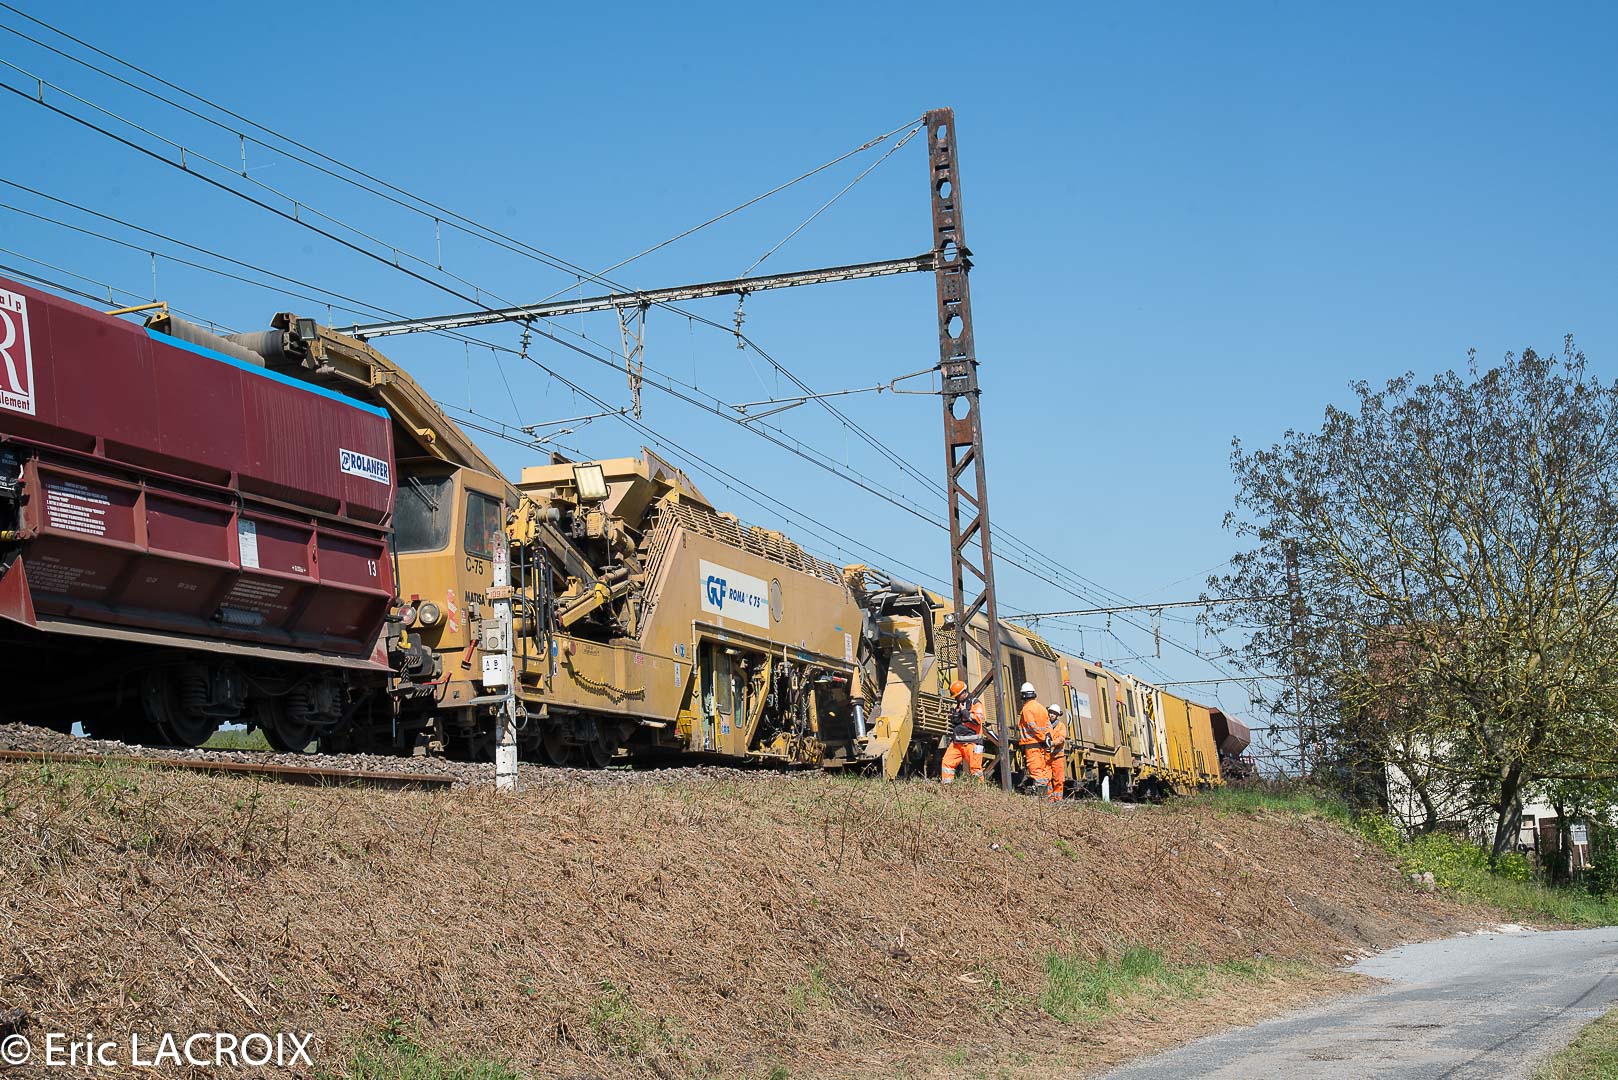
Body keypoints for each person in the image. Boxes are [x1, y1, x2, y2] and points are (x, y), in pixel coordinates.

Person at [940, 679, 988, 784]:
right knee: (947, 762)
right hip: (957, 743)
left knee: (975, 769)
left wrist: (964, 712)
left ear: (964, 692)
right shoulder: (959, 705)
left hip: (972, 743)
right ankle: (947, 787)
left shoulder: (975, 703)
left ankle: (979, 790)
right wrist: (954, 716)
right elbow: (958, 722)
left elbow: (978, 720)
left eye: (957, 696)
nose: (956, 698)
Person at [1016, 682, 1052, 799]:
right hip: (1041, 745)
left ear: (1023, 695)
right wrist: (1047, 738)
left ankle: (1040, 797)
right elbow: (1048, 725)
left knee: (1036, 770)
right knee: (1042, 770)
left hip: (1031, 745)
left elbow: (1032, 726)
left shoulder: (1027, 709)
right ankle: (1044, 796)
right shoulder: (1042, 708)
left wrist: (1042, 737)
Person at [1046, 703, 1068, 803]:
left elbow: (1061, 738)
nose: (1051, 715)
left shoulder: (1061, 726)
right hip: (1047, 756)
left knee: (1059, 779)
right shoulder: (1046, 725)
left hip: (1058, 757)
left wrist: (1052, 743)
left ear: (1057, 715)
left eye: (1054, 713)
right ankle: (1050, 798)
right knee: (1047, 777)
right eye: (1050, 712)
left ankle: (1058, 799)